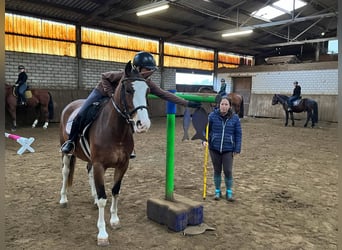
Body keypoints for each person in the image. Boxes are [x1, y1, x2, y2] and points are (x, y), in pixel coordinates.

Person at [61, 51, 201, 155]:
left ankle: (128, 147)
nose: (151, 72)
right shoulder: (123, 75)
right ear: (138, 68)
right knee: (82, 112)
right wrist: (110, 94)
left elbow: (164, 94)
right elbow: (104, 77)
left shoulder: (147, 82)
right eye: (148, 69)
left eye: (152, 69)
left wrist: (187, 103)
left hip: (117, 101)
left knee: (128, 118)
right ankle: (71, 142)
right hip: (101, 93)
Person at [202, 96, 242, 202]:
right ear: (219, 105)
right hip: (214, 148)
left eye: (226, 104)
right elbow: (204, 129)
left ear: (229, 106)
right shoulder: (212, 116)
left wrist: (237, 148)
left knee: (228, 171)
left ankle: (229, 192)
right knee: (217, 170)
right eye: (222, 104)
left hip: (228, 149)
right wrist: (204, 140)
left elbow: (238, 134)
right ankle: (217, 191)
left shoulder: (235, 118)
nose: (224, 106)